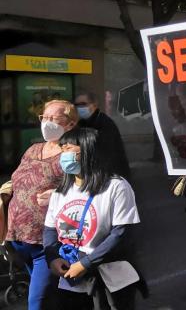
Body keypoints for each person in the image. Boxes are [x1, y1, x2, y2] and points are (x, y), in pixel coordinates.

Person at [43, 127, 144, 309]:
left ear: (87, 150)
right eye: (62, 149)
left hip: (110, 278)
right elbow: (50, 229)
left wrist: (86, 263)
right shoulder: (61, 192)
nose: (62, 155)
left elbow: (121, 233)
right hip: (71, 277)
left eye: (68, 148)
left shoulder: (116, 186)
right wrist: (53, 258)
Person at [6, 99, 78, 310]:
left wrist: (58, 195)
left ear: (70, 124)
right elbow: (18, 180)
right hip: (19, 240)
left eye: (53, 118)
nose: (46, 123)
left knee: (37, 303)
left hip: (46, 245)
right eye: (44, 117)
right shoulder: (33, 149)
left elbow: (87, 190)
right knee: (49, 300)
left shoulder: (71, 153)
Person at [75, 92, 130, 179]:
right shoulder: (82, 123)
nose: (80, 107)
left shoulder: (104, 123)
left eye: (83, 104)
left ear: (94, 104)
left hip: (109, 175)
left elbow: (106, 152)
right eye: (77, 105)